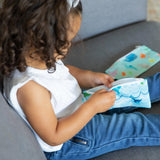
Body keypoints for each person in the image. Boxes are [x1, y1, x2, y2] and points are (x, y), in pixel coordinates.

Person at [0, 0, 160, 160]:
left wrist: (89, 77)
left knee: (136, 88)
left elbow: (61, 71)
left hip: (79, 105)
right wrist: (92, 107)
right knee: (134, 124)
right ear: (42, 41)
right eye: (66, 42)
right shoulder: (30, 90)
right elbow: (54, 135)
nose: (69, 45)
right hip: (72, 138)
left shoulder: (32, 54)